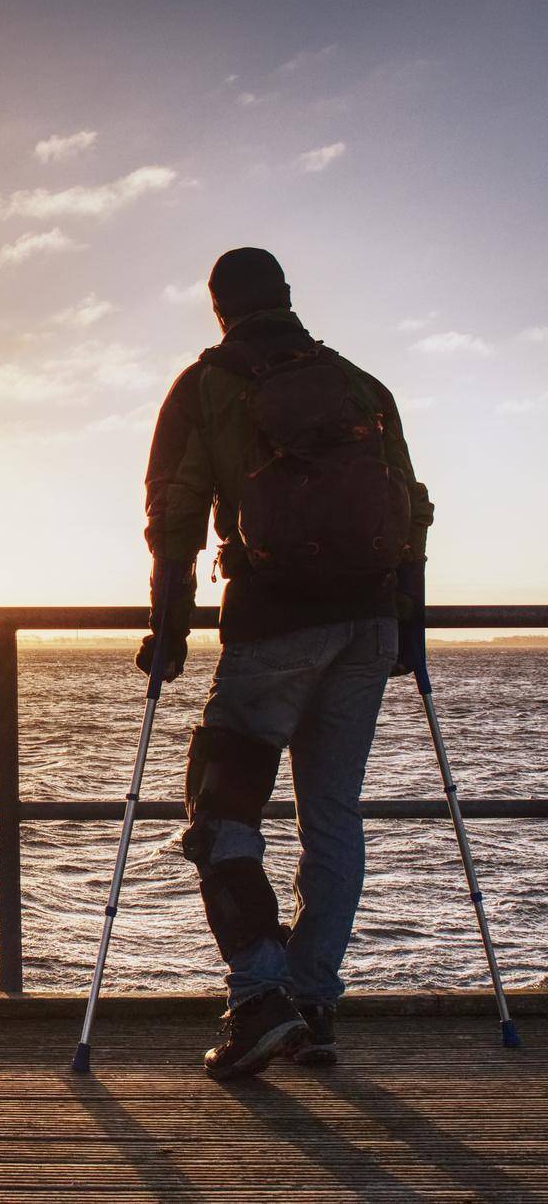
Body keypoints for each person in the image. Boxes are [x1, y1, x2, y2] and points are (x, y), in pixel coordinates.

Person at [139, 247, 433, 1080]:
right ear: (289, 300)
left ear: (219, 307)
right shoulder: (361, 386)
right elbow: (410, 507)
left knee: (220, 806)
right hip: (370, 623)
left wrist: (171, 624)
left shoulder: (207, 385)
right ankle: (315, 1003)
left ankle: (261, 1000)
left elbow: (177, 512)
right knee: (332, 814)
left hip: (274, 623)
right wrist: (406, 622)